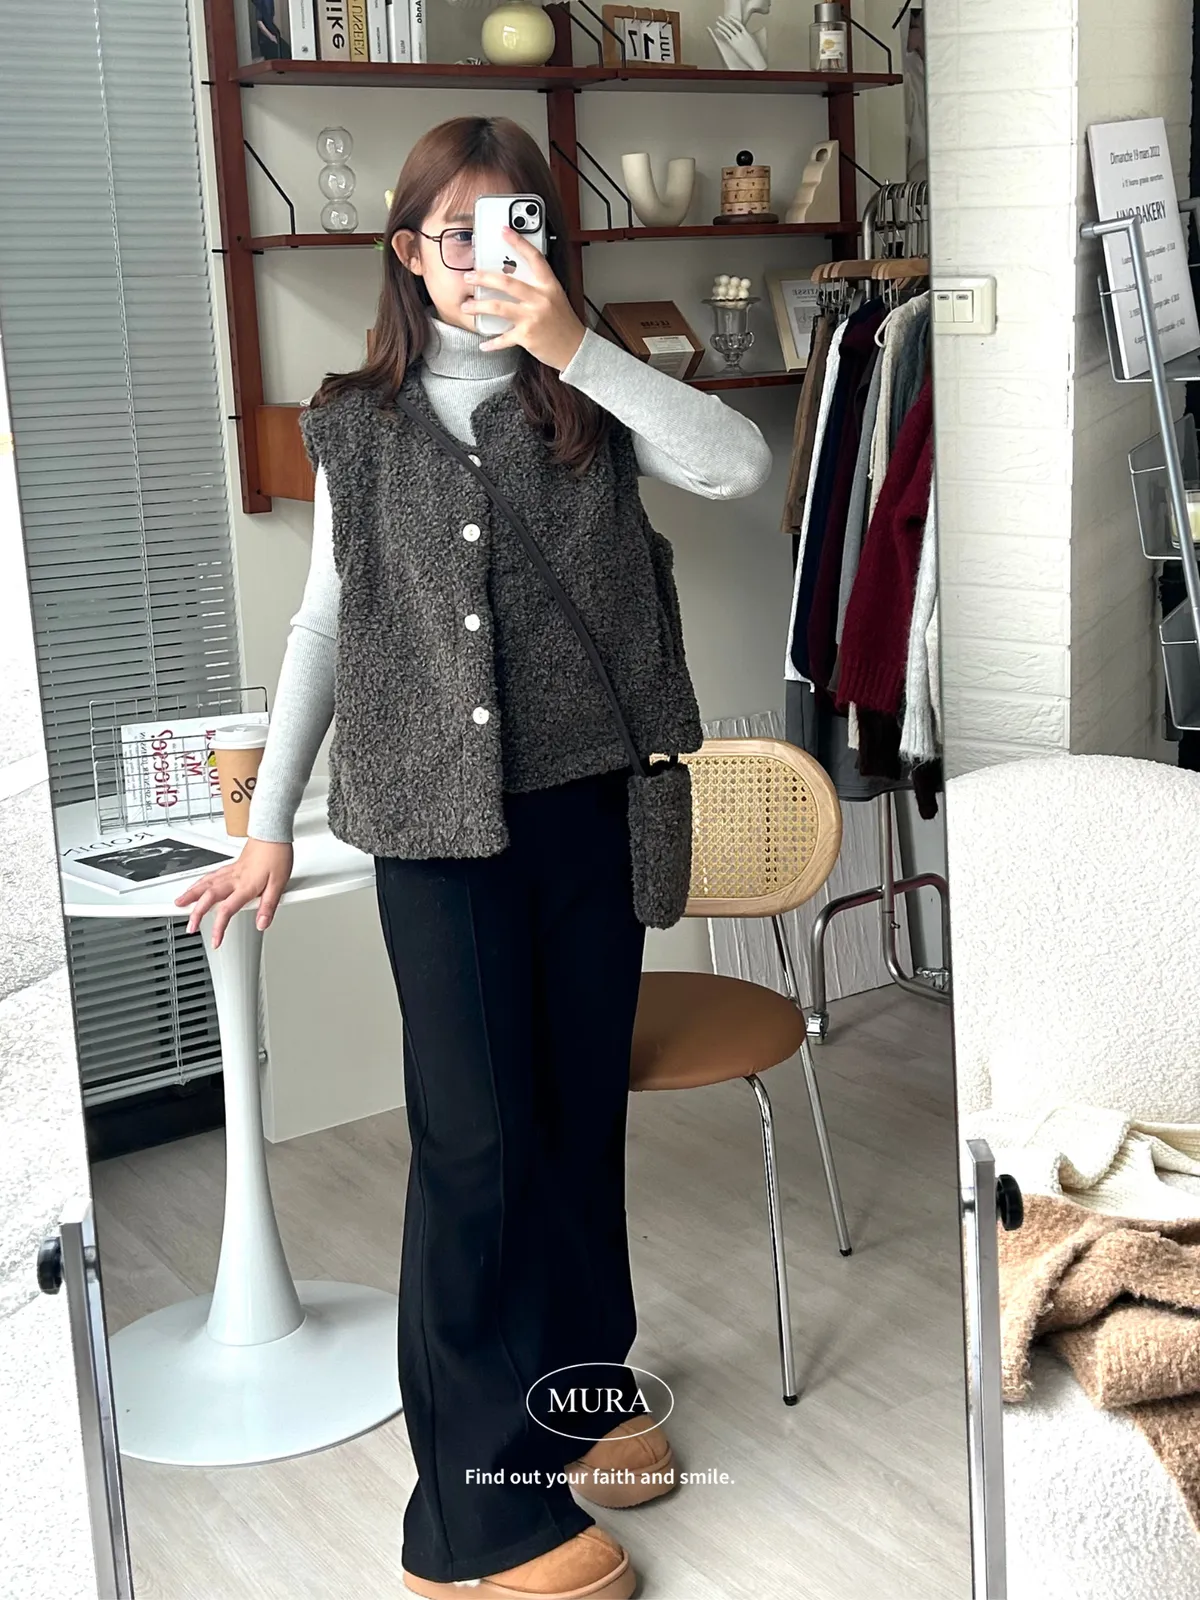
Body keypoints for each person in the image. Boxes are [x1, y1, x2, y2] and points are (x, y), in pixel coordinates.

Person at [175, 115, 771, 1600]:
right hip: (436, 836)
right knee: (477, 1148)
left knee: (576, 1120)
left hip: (590, 810)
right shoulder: (355, 424)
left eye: (521, 226)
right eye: (459, 231)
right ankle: (465, 1525)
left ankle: (580, 1392)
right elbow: (324, 625)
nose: (489, 257)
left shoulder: (593, 396)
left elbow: (739, 467)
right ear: (408, 250)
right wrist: (267, 825)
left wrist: (576, 345)